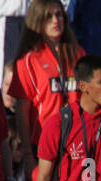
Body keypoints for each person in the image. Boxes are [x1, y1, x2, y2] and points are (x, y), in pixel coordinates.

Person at [9, 0, 81, 154]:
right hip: (43, 145)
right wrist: (28, 154)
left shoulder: (78, 54)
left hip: (77, 142)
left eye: (59, 15)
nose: (55, 21)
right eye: (49, 16)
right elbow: (22, 113)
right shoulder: (27, 61)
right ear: (38, 20)